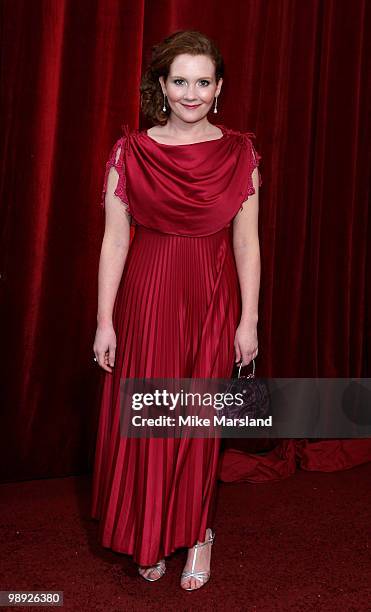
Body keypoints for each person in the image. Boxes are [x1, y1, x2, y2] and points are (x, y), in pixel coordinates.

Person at [91, 29, 262, 592]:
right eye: (180, 81)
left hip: (212, 297)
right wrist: (104, 320)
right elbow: (114, 242)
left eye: (203, 82)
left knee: (196, 424)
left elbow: (247, 244)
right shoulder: (130, 152)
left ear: (219, 88)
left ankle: (197, 535)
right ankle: (148, 532)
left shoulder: (241, 153)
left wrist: (249, 320)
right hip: (148, 295)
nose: (192, 92)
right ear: (161, 87)